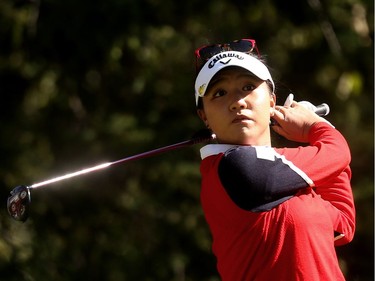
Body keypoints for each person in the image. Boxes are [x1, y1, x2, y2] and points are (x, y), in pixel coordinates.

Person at [193, 39, 356, 281]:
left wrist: (318, 134)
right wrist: (316, 128)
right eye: (219, 93)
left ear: (271, 101)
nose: (237, 102)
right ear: (204, 116)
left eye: (247, 87)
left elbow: (342, 226)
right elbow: (338, 152)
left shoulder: (284, 176)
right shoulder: (235, 168)